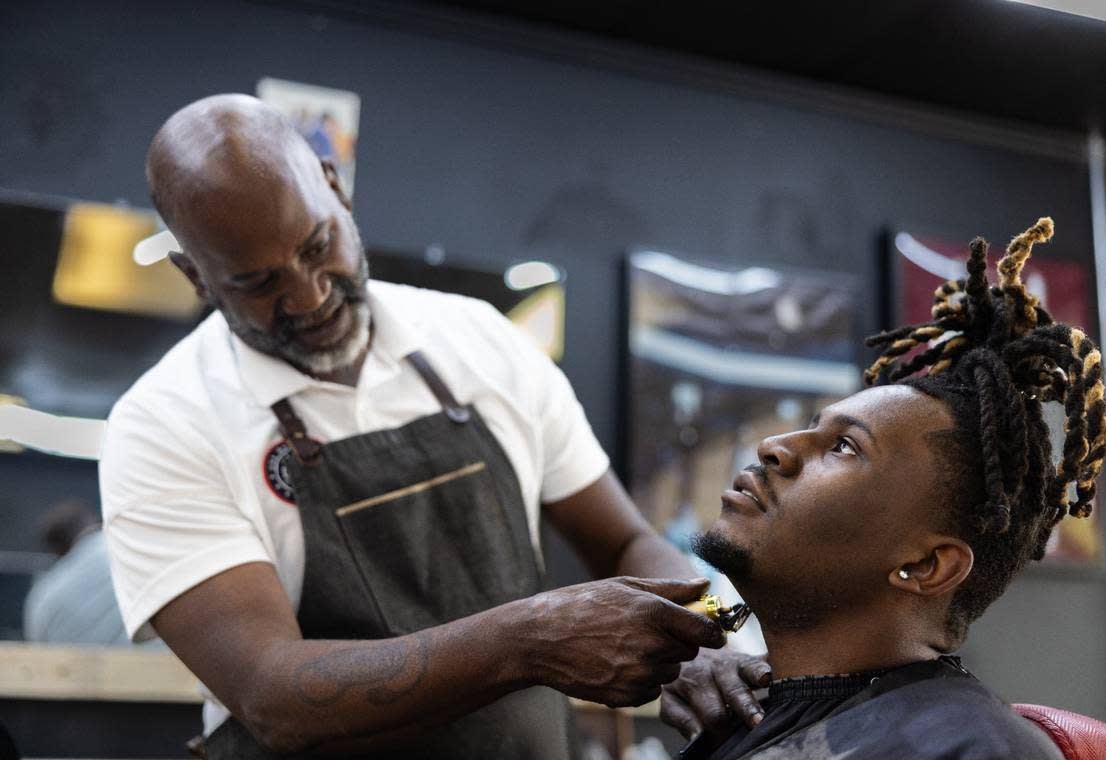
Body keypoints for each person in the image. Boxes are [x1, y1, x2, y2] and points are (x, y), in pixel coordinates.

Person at [99, 94, 757, 759]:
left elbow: (624, 543)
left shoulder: (480, 341)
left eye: (317, 245)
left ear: (335, 189)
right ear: (196, 276)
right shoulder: (163, 425)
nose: (309, 295)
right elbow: (272, 694)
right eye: (257, 282)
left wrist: (703, 633)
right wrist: (527, 640)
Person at [661, 218, 1106, 759]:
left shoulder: (969, 750)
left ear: (928, 565)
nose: (775, 445)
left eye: (844, 447)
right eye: (814, 428)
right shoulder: (734, 724)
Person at [23, 498, 133, 646]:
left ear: (57, 550)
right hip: (158, 664)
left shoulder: (43, 595)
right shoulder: (131, 549)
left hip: (78, 668)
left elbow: (36, 645)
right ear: (93, 521)